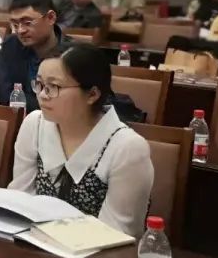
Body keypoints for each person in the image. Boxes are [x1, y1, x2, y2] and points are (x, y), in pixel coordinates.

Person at [8, 43, 154, 237]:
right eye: (40, 84)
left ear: (92, 94)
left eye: (54, 87)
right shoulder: (34, 124)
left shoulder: (127, 147)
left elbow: (118, 235)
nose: (42, 95)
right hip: (34, 246)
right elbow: (19, 202)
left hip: (98, 253)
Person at [0, 0, 70, 112]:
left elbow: (66, 103)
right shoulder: (11, 45)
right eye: (15, 24)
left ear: (50, 18)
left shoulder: (74, 54)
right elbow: (4, 94)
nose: (20, 30)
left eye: (27, 23)